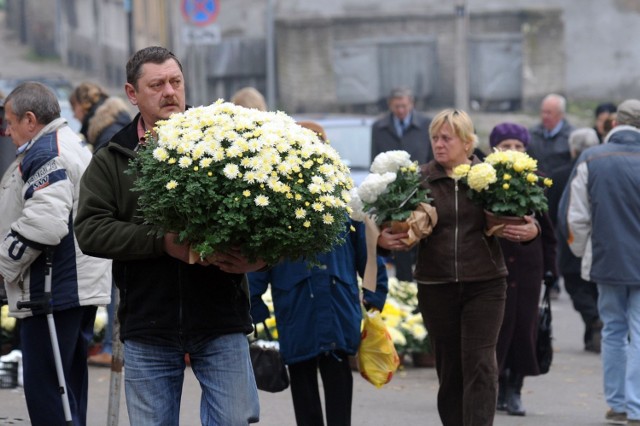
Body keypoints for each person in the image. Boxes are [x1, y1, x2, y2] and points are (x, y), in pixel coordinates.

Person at [74, 46, 264, 425]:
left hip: (220, 318)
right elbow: (90, 230)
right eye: (156, 84)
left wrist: (259, 256)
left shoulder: (227, 143)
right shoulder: (113, 156)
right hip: (149, 323)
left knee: (234, 420)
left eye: (175, 82)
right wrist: (161, 242)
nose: (170, 92)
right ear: (133, 94)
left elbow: (265, 217)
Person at [379, 109, 539, 426]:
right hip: (436, 284)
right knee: (450, 367)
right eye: (435, 138)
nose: (439, 144)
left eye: (446, 138)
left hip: (486, 283)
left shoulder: (493, 177)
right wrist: (383, 239)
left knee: (481, 363)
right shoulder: (418, 179)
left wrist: (532, 231)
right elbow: (387, 223)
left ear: (467, 142)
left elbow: (528, 215)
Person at [249, 121, 389, 426]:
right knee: (303, 383)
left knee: (339, 380)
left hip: (337, 302)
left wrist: (375, 293)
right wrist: (253, 302)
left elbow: (368, 252)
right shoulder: (275, 203)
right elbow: (259, 260)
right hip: (296, 305)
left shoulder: (344, 199)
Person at [0, 81, 111, 426]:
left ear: (30, 119)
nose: (7, 130)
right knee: (67, 393)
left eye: (10, 121)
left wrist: (3, 263)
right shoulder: (64, 142)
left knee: (49, 395)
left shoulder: (47, 151)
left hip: (54, 292)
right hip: (70, 288)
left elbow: (46, 223)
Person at [558, 99, 640, 425]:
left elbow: (574, 217)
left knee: (613, 330)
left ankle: (618, 402)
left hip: (607, 258)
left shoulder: (592, 158)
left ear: (613, 123)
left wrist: (582, 253)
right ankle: (636, 405)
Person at [488, 123, 558, 416]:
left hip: (529, 266)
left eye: (518, 146)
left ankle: (515, 389)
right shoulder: (485, 182)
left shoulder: (538, 181)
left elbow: (549, 230)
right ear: (495, 150)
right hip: (496, 263)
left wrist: (551, 271)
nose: (513, 152)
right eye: (506, 146)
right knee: (497, 328)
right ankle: (497, 385)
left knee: (524, 328)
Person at [69, 81, 131, 367]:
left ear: (82, 107)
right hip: (123, 217)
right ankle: (111, 345)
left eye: (74, 110)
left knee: (114, 288)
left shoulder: (106, 133)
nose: (76, 117)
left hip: (117, 218)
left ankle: (111, 346)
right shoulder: (119, 121)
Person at [547, 128, 601, 353]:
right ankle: (593, 331)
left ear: (572, 149)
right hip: (599, 241)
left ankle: (594, 323)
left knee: (576, 287)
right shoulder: (601, 171)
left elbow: (549, 213)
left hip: (568, 240)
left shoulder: (559, 175)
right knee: (594, 289)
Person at [370, 87, 432, 282]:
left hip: (420, 188)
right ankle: (404, 285)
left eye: (404, 106)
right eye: (397, 106)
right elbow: (375, 158)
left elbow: (431, 156)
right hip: (393, 193)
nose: (401, 110)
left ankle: (424, 282)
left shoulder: (425, 125)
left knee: (423, 235)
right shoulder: (379, 127)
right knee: (400, 237)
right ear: (390, 105)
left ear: (411, 103)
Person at [69, 81, 131, 152]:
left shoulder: (108, 135)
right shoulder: (111, 125)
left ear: (84, 105)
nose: (74, 116)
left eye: (74, 109)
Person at [527, 93, 575, 176]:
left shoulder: (571, 136)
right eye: (543, 112)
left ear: (561, 114)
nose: (545, 116)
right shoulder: (532, 133)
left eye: (549, 113)